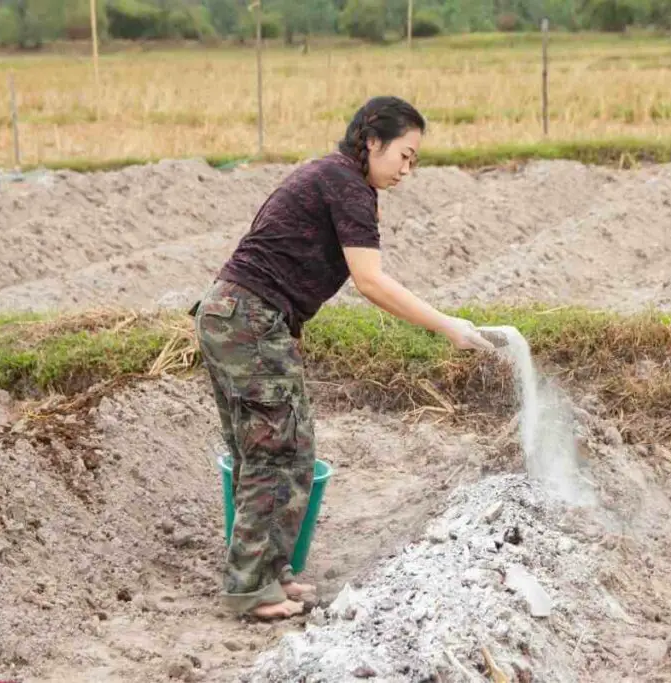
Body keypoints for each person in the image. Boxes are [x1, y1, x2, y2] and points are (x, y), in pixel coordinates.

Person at [190, 95, 496, 621]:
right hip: (248, 318)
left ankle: (269, 573)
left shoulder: (334, 176)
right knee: (277, 450)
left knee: (277, 447)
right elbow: (371, 281)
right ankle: (248, 586)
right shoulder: (349, 187)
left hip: (236, 316)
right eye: (404, 154)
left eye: (414, 160)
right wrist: (447, 325)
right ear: (372, 140)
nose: (407, 169)